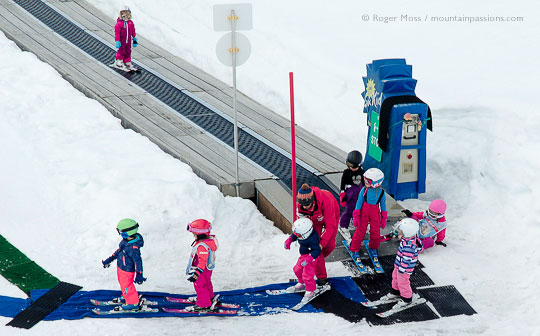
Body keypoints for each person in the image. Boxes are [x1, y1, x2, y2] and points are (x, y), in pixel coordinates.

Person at [296, 183, 339, 286]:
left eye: (308, 205)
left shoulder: (326, 199)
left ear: (312, 200)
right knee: (314, 247)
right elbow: (301, 224)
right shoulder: (300, 206)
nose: (305, 207)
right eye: (303, 205)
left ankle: (316, 262)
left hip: (330, 215)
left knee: (329, 246)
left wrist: (322, 244)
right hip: (314, 221)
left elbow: (330, 226)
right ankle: (322, 277)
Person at [102, 218, 147, 311]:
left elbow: (138, 262)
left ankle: (132, 303)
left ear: (126, 232)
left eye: (120, 231)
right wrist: (109, 259)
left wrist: (139, 275)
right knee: (123, 284)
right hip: (121, 267)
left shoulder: (133, 248)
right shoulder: (125, 241)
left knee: (127, 285)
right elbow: (118, 252)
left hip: (127, 270)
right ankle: (127, 295)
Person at [379, 218, 424, 309]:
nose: (398, 233)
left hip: (404, 268)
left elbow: (407, 260)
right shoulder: (407, 238)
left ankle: (407, 298)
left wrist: (402, 269)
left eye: (400, 232)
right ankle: (395, 291)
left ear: (406, 233)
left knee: (403, 282)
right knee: (395, 277)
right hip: (399, 265)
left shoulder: (409, 246)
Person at [349, 168, 387, 261]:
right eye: (365, 180)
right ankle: (354, 248)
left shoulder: (381, 193)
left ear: (376, 183)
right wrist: (356, 215)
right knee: (360, 230)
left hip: (375, 212)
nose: (365, 182)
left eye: (368, 181)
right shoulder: (364, 190)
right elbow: (359, 202)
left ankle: (373, 247)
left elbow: (383, 205)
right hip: (364, 212)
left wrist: (384, 218)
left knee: (375, 231)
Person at [185, 219, 219, 312]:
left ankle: (203, 304)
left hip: (201, 270)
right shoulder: (209, 242)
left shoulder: (202, 246)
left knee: (200, 286)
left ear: (200, 235)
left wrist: (196, 274)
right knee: (207, 283)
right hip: (207, 270)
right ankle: (209, 298)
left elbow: (202, 261)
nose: (193, 236)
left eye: (194, 234)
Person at [284, 217, 322, 301]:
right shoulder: (301, 233)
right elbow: (295, 235)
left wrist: (310, 258)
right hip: (303, 256)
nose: (297, 236)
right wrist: (289, 240)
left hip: (311, 257)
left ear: (306, 233)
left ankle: (311, 290)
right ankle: (302, 283)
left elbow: (317, 250)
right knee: (297, 269)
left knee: (307, 275)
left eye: (299, 235)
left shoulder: (313, 239)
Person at [338, 150, 365, 241]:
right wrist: (342, 194)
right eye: (349, 165)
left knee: (359, 209)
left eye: (353, 166)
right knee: (349, 210)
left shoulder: (362, 172)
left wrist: (366, 193)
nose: (351, 168)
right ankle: (343, 224)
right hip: (350, 193)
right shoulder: (346, 172)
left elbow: (364, 183)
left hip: (360, 193)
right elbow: (342, 184)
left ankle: (355, 222)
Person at [113, 6, 138, 71]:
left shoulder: (130, 23)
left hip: (128, 41)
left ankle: (127, 62)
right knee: (121, 51)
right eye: (123, 14)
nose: (124, 15)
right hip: (122, 40)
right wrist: (117, 40)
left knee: (128, 51)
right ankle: (119, 61)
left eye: (126, 14)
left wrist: (134, 38)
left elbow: (133, 31)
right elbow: (117, 32)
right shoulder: (119, 23)